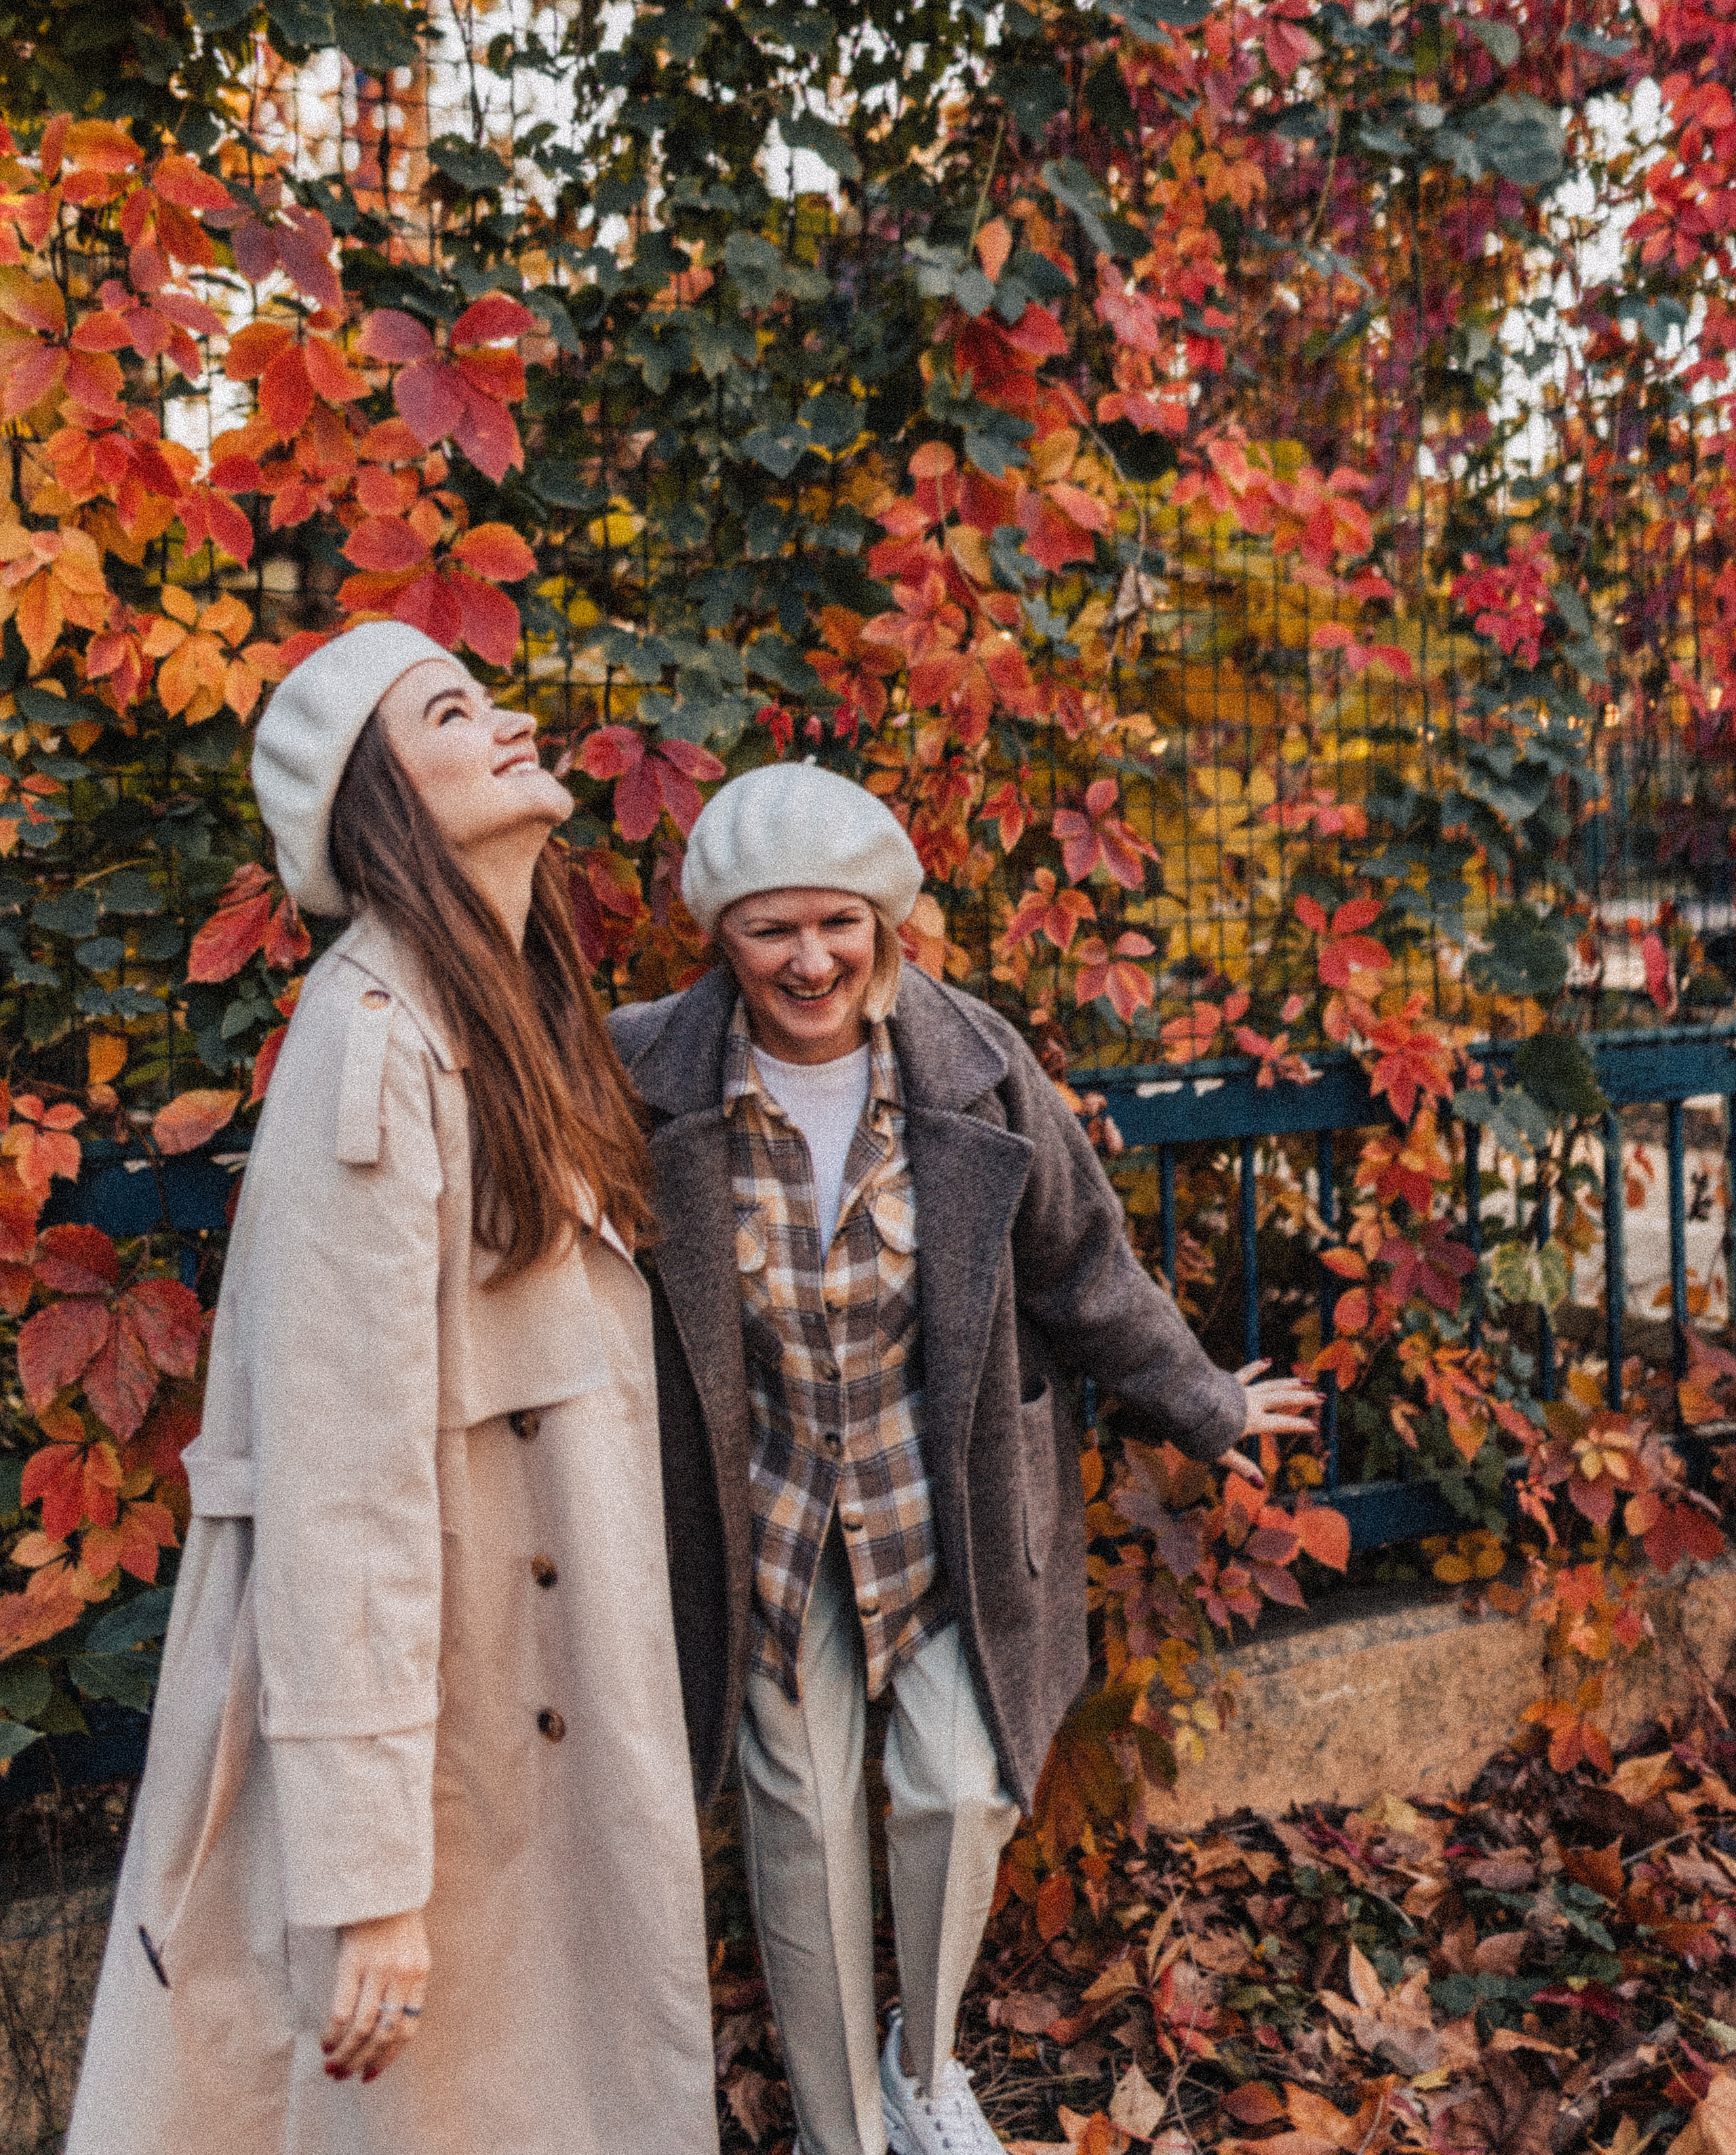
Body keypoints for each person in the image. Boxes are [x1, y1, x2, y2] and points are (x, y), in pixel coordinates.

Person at [68, 622, 719, 2155]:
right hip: (452, 1717)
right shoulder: (375, 1045)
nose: (505, 724)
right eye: (451, 710)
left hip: (520, 1683)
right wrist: (363, 1885)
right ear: (379, 802)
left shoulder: (497, 1004)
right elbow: (338, 1475)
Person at [610, 762, 1319, 2155]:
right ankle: (833, 2130)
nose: (807, 959)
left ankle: (916, 2064)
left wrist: (1203, 1406)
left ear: (883, 923)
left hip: (941, 1499)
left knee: (959, 1782)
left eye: (837, 923)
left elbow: (1081, 1266)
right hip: (760, 1525)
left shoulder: (972, 1067)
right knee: (800, 1829)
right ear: (720, 936)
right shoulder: (641, 1078)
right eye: (770, 929)